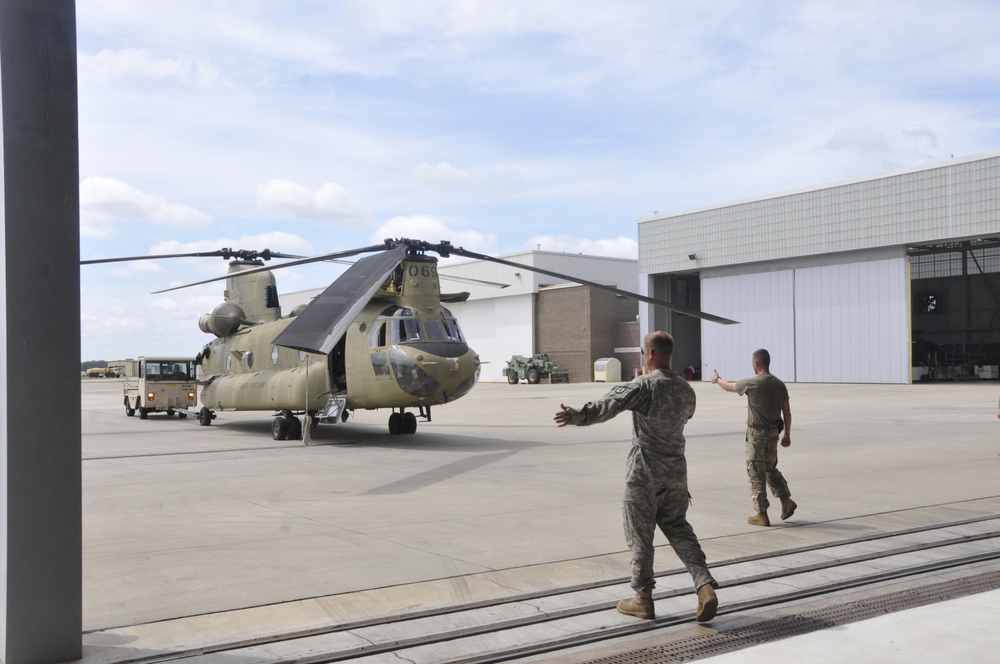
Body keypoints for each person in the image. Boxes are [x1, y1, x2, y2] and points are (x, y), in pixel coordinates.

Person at [554, 331, 718, 623]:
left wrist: (576, 416)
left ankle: (642, 598)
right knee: (678, 528)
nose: (644, 356)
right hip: (676, 473)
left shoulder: (644, 385)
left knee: (641, 536)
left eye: (644, 352)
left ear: (651, 354)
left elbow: (608, 406)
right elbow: (686, 417)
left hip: (644, 472)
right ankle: (704, 585)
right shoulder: (686, 390)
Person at [711, 348, 796, 527]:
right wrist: (787, 433)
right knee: (770, 468)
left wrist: (717, 379)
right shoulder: (779, 384)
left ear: (757, 363)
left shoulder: (752, 383)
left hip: (757, 435)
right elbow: (787, 412)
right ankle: (786, 501)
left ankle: (761, 514)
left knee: (755, 472)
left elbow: (728, 387)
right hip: (774, 434)